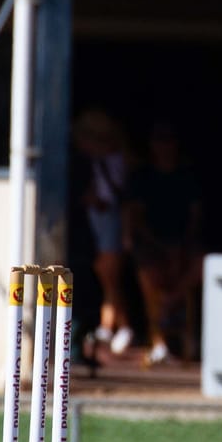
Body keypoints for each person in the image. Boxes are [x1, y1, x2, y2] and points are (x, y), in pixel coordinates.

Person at [123, 121, 204, 365]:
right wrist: (159, 245)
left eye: (169, 141)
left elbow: (195, 217)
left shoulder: (188, 176)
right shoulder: (142, 177)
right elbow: (135, 217)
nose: (164, 147)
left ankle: (179, 315)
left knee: (202, 264)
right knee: (150, 275)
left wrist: (181, 247)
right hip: (152, 243)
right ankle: (158, 341)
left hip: (182, 244)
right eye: (159, 141)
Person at [73, 110, 135, 356]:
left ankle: (120, 326)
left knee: (108, 272)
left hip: (111, 218)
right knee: (106, 273)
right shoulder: (92, 163)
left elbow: (118, 195)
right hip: (97, 220)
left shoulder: (117, 159)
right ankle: (110, 325)